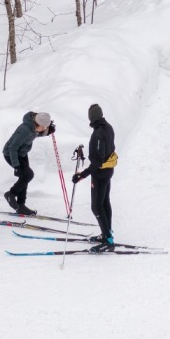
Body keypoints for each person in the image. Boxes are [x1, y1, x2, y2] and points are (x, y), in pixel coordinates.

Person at [71, 103, 117, 251]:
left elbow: (97, 161)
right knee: (104, 202)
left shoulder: (98, 134)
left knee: (96, 207)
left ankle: (108, 241)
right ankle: (107, 234)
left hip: (101, 173)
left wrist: (81, 175)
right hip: (108, 170)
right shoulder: (107, 126)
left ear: (91, 118)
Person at [1, 111, 54, 215]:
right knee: (28, 175)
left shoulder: (33, 127)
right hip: (11, 154)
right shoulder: (24, 130)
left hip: (22, 154)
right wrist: (16, 166)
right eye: (44, 127)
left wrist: (47, 132)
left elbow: (34, 134)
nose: (44, 129)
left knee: (25, 176)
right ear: (38, 124)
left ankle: (21, 205)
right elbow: (12, 148)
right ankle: (10, 194)